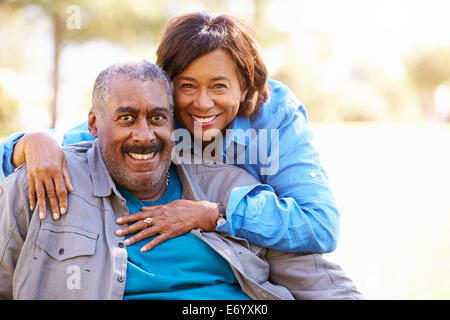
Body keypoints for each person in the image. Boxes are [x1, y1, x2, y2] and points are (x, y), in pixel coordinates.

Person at [0, 61, 363, 300]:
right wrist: (29, 141)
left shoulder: (232, 189)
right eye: (126, 118)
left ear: (174, 123)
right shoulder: (43, 181)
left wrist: (213, 214)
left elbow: (323, 284)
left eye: (158, 117)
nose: (144, 135)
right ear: (94, 125)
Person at [0, 13, 339, 254]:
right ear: (166, 86)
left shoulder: (275, 116)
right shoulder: (159, 117)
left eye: (219, 87)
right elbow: (81, 140)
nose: (202, 103)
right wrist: (30, 143)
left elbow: (319, 225)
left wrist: (211, 213)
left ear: (244, 86)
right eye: (187, 86)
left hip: (255, 260)